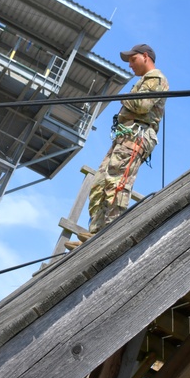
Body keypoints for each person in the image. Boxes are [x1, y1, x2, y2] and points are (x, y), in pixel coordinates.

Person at [67, 43, 168, 249]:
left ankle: (109, 233)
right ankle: (95, 233)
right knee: (100, 183)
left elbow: (142, 105)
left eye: (133, 59)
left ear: (145, 56)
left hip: (136, 136)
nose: (130, 65)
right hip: (124, 137)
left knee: (117, 181)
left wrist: (123, 99)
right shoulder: (143, 81)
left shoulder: (156, 79)